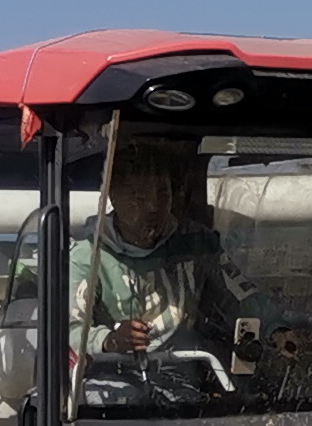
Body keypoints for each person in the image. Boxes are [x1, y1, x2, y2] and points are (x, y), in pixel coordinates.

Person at [82, 142, 246, 384]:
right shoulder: (87, 253)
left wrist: (276, 329)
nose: (152, 207)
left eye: (162, 195)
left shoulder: (197, 243)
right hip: (111, 384)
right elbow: (67, 326)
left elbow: (241, 295)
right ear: (113, 196)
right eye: (139, 196)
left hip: (183, 380)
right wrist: (109, 340)